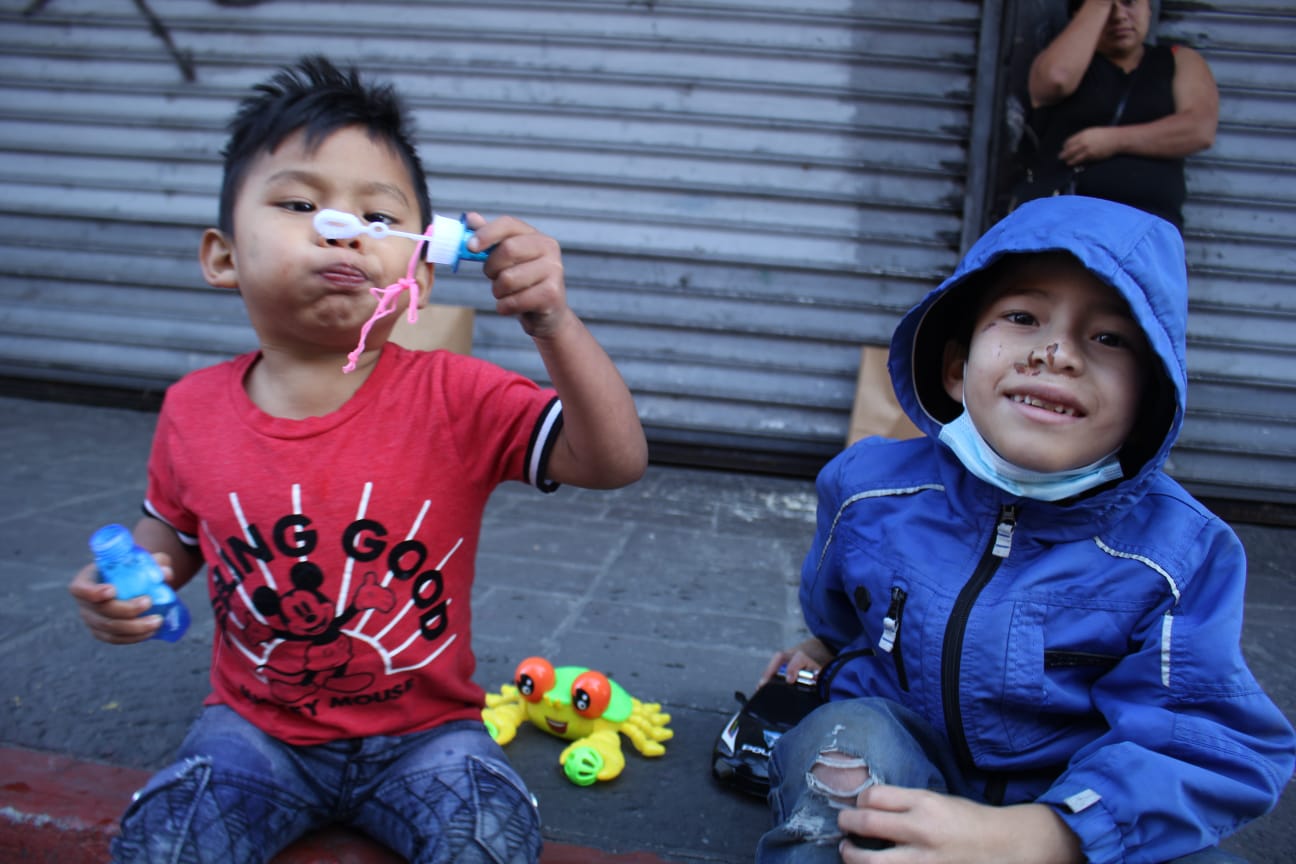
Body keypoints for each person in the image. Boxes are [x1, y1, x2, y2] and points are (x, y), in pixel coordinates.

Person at [67, 55, 648, 864]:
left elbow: (614, 460)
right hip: (253, 734)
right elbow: (175, 534)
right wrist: (131, 582)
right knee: (165, 839)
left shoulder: (459, 396)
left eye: (380, 217)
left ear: (421, 268)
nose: (342, 229)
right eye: (301, 203)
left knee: (488, 835)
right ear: (223, 256)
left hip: (428, 737)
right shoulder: (191, 409)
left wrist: (553, 320)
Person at [757, 195, 1294, 864]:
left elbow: (1205, 743)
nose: (1056, 352)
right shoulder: (867, 488)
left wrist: (1040, 837)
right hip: (902, 765)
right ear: (955, 368)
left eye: (1109, 337)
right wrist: (820, 649)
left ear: (1152, 397)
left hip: (1077, 815)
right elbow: (840, 610)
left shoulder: (1181, 555)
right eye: (1022, 316)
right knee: (839, 744)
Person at [1013, 0, 1219, 230]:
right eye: (1108, 6)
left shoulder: (1178, 60)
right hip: (1067, 225)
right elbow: (1056, 79)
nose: (1119, 16)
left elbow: (1199, 130)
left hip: (1148, 230)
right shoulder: (1065, 63)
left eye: (1129, 3)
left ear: (1148, 7)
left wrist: (1112, 141)